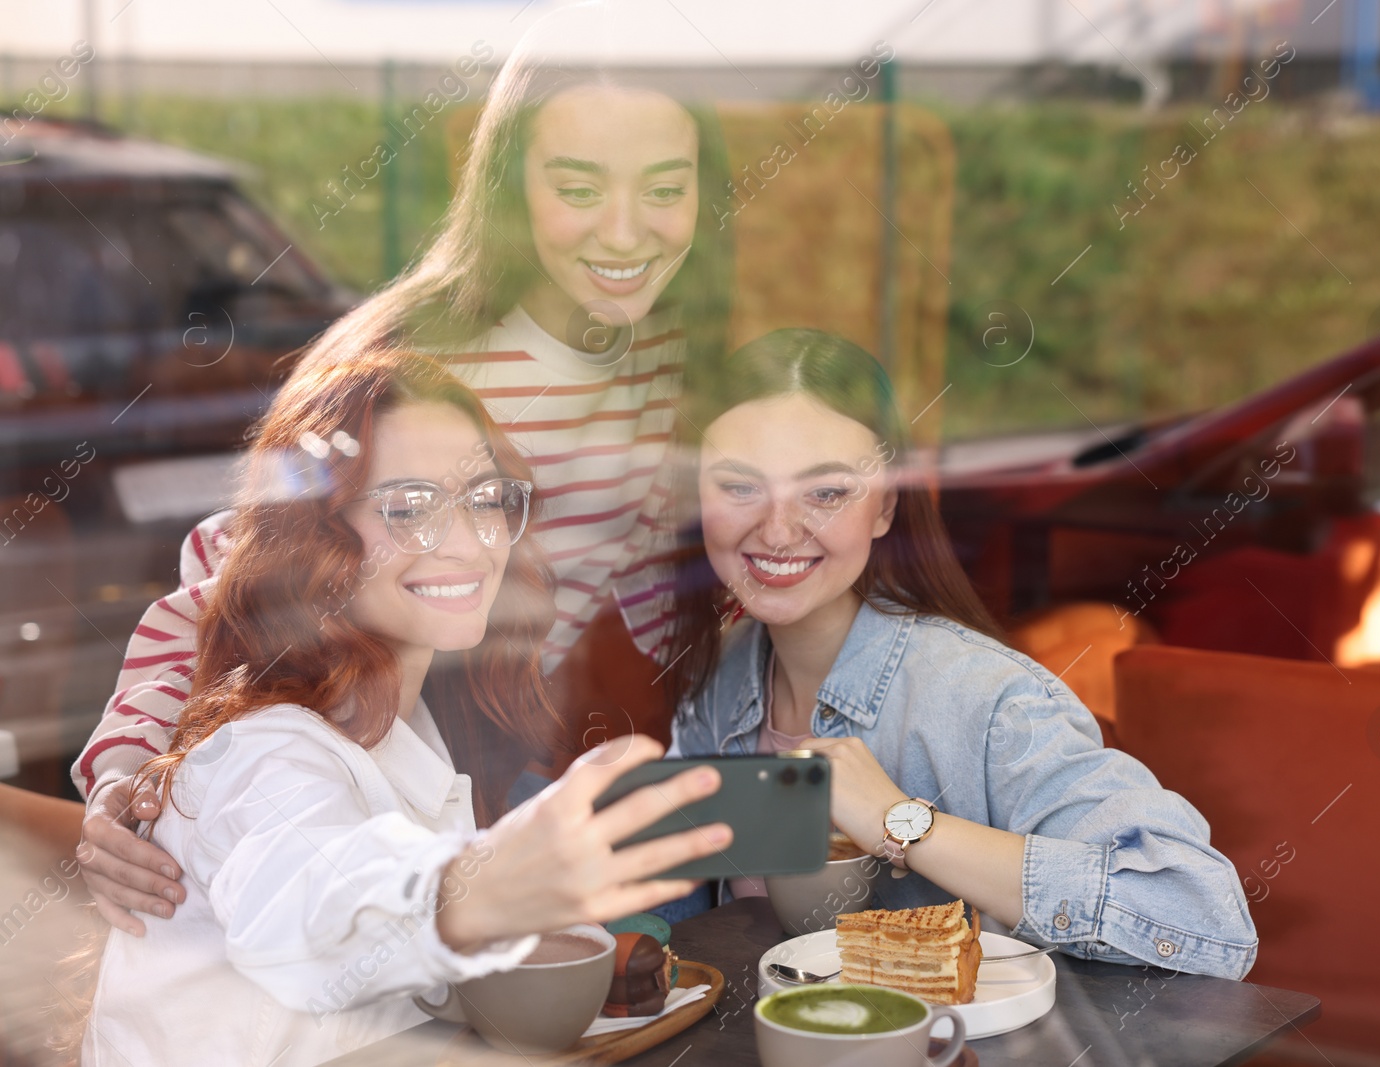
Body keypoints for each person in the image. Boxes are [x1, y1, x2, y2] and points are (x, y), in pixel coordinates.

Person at [74, 21, 733, 935]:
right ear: (509, 186)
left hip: (517, 765)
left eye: (665, 187)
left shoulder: (664, 344)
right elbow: (227, 576)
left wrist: (720, 735)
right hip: (366, 783)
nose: (626, 232)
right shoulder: (410, 364)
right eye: (577, 187)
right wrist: (122, 772)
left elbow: (636, 543)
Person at [78, 349, 731, 1066]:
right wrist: (473, 888)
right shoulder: (264, 750)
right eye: (408, 507)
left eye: (485, 496)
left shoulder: (414, 722)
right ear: (313, 537)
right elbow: (309, 896)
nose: (467, 540)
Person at [664, 329, 1259, 978]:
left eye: (827, 492)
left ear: (886, 505)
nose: (777, 530)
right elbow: (680, 903)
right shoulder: (718, 677)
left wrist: (900, 821)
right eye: (739, 486)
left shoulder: (984, 697)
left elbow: (1203, 916)